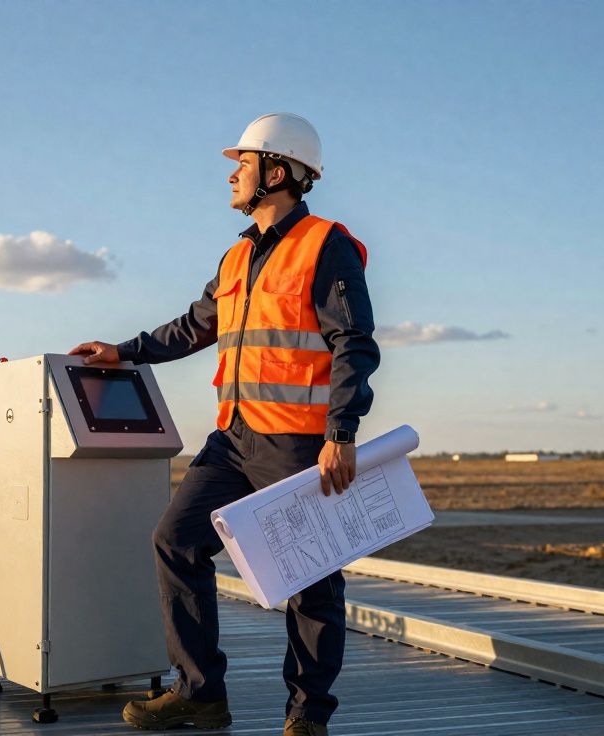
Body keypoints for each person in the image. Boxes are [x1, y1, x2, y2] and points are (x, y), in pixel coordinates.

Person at [69, 113, 380, 736]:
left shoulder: (326, 245)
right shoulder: (237, 254)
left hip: (296, 441)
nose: (233, 175)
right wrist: (124, 352)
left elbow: (355, 343)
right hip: (233, 441)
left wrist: (340, 434)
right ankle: (201, 695)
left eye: (243, 163)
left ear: (278, 171)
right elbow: (193, 326)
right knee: (175, 540)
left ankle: (307, 717)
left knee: (309, 580)